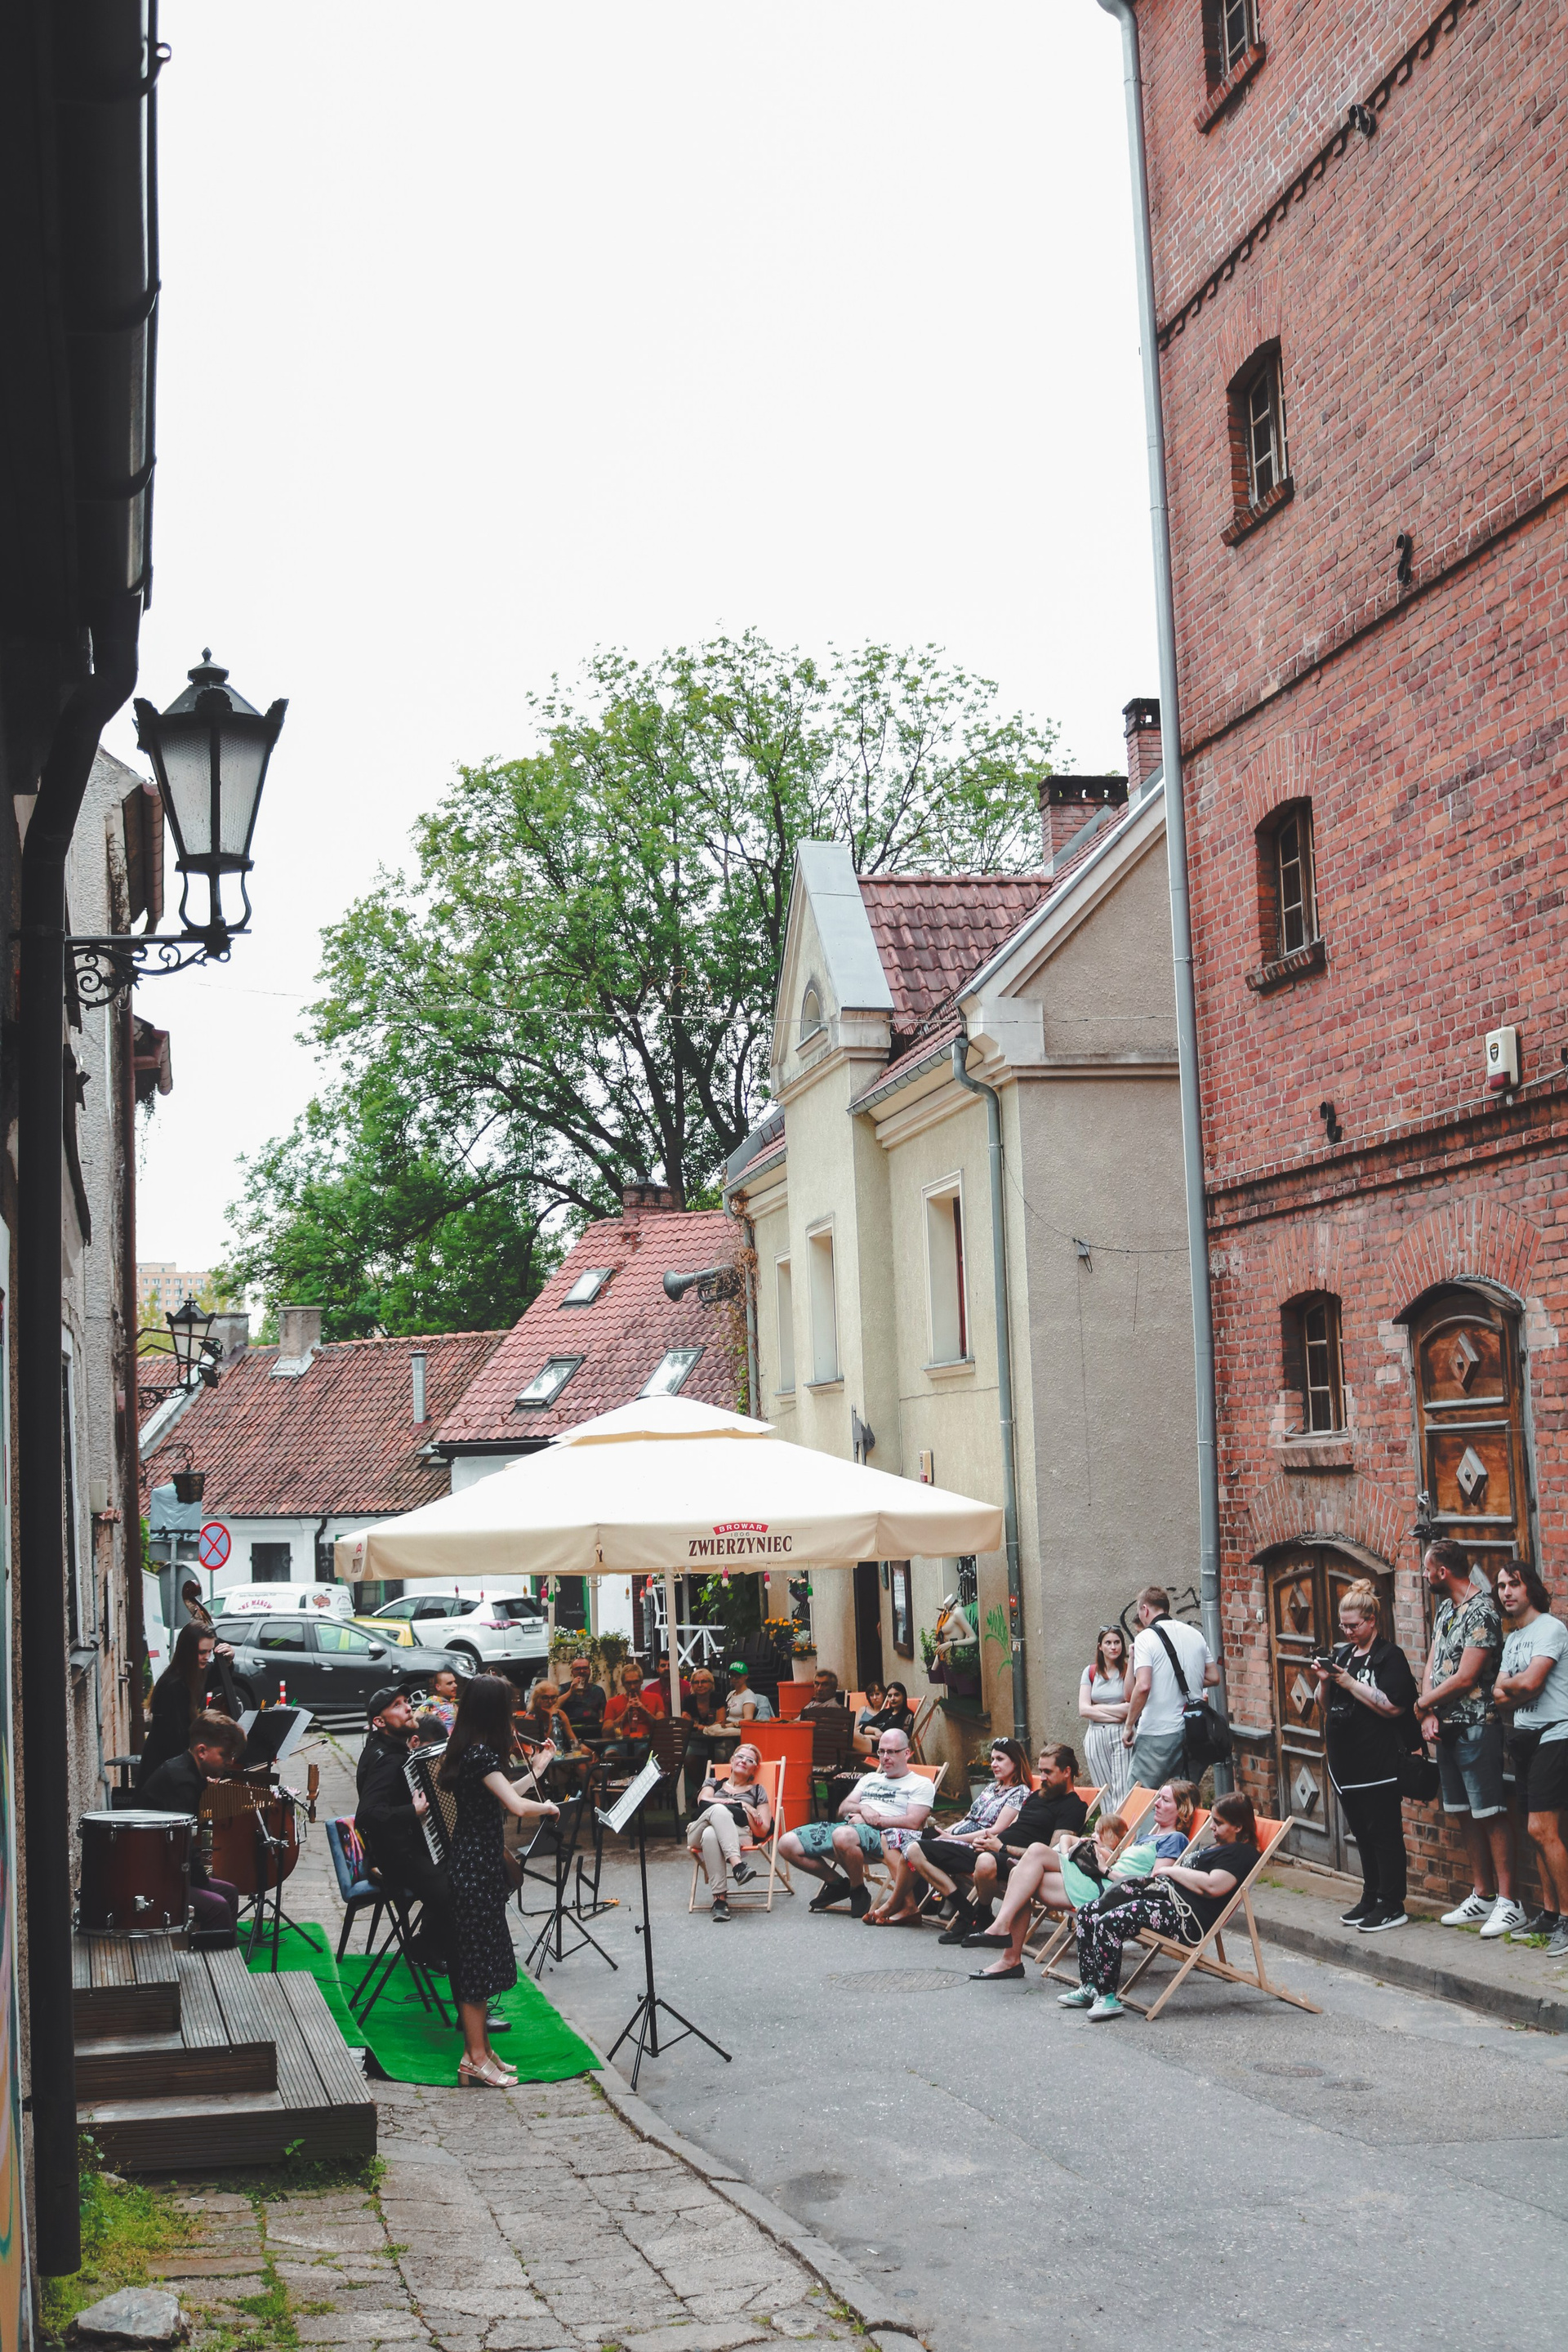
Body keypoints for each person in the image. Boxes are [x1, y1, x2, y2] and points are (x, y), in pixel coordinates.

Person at [438, 1673, 559, 2088]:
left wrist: (537, 1768)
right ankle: (473, 2058)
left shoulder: (474, 1752)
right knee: (475, 1966)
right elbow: (516, 1806)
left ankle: (483, 2051)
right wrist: (547, 1807)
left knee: (482, 1959)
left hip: (477, 1867)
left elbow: (504, 1794)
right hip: (475, 1870)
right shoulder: (479, 1755)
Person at [963, 1777, 1200, 1976]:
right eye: (1158, 1797)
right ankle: (1009, 1958)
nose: (1156, 1803)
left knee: (1033, 1855)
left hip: (1109, 1891)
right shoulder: (1149, 1837)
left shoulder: (1175, 1839)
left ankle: (1003, 1935)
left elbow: (1152, 1884)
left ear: (1182, 1810)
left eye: (1165, 1800)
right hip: (1099, 1879)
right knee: (1019, 1873)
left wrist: (1105, 1869)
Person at [1063, 1789, 1264, 2022]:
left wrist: (1171, 1871)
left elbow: (1213, 1886)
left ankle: (1106, 1996)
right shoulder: (1217, 1847)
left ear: (1238, 1827)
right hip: (1164, 1900)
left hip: (1184, 1918)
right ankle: (1090, 1986)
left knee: (1111, 1921)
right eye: (1212, 1820)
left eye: (1218, 1823)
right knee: (1088, 1912)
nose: (1211, 1827)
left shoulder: (1241, 1853)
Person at [1418, 1539, 1522, 1937]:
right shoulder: (1446, 1608)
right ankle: (1483, 1894)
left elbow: (1466, 1677)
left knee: (1490, 1812)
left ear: (1442, 1571)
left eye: (1427, 1569)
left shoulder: (1482, 1611)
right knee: (1462, 1811)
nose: (1425, 1575)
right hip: (1445, 1727)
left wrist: (1421, 1704)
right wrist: (1428, 1710)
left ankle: (1510, 1903)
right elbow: (1432, 1662)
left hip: (1477, 1725)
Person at [1310, 1578, 1419, 1934]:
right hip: (1346, 1765)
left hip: (1379, 1763)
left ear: (1372, 1620)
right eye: (1344, 1626)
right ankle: (1371, 1895)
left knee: (1384, 1834)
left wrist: (1351, 1683)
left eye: (1354, 1626)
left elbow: (1394, 1706)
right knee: (1362, 1833)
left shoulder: (1390, 1656)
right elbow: (1325, 1705)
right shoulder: (1343, 1654)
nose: (1348, 1632)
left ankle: (1392, 1903)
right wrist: (1325, 1680)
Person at [1493, 1557, 1568, 1956]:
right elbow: (1498, 1694)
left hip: (1555, 1734)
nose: (1506, 1592)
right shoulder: (1513, 1639)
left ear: (1530, 1589)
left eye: (1514, 1584)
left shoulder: (1550, 1629)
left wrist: (1516, 1686)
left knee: (1543, 1829)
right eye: (1501, 1586)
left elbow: (1533, 1682)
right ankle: (1550, 1913)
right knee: (1534, 1829)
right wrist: (1517, 1687)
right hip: (1524, 1739)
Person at [355, 1685, 458, 1973]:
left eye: (406, 1702)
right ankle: (428, 1946)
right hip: (396, 1857)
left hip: (407, 1847)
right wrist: (412, 1811)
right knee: (455, 1894)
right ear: (380, 1721)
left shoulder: (390, 1749)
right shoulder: (387, 1761)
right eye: (397, 1705)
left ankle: (427, 1942)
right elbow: (366, 1815)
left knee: (460, 1871)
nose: (408, 1707)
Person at [778, 1729, 933, 1918]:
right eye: (881, 1751)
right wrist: (863, 1809)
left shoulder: (921, 1784)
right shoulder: (870, 1778)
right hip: (850, 1827)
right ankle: (837, 1884)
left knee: (842, 1835)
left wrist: (873, 1820)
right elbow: (844, 1808)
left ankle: (858, 1890)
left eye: (892, 1752)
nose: (885, 1757)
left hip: (887, 1837)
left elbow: (913, 1822)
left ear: (907, 1753)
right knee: (786, 1844)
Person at [899, 1739, 1032, 1940]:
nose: (994, 1764)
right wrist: (945, 1833)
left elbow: (996, 1830)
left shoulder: (1020, 1792)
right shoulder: (991, 1788)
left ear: (1015, 1762)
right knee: (906, 1842)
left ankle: (963, 1911)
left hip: (978, 1847)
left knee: (915, 1850)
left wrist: (952, 1837)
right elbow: (968, 1818)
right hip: (958, 1839)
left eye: (1000, 1759)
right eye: (992, 1759)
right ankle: (962, 1911)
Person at [138, 1710, 247, 1936]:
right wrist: (204, 1884)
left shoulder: (187, 1771)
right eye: (225, 1755)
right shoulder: (181, 1782)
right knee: (217, 1906)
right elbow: (183, 1848)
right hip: (152, 1879)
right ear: (202, 1751)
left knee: (230, 1893)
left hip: (169, 1872)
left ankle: (224, 1948)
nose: (230, 1761)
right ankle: (214, 1957)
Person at [1122, 1588, 1218, 1792]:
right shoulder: (1194, 1634)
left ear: (1145, 1610)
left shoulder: (1145, 1638)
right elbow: (1213, 1677)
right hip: (1192, 1730)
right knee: (1181, 1797)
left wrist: (1129, 1725)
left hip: (1158, 1732)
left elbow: (1143, 1685)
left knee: (1140, 1796)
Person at [138, 1624, 238, 1784]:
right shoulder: (173, 1686)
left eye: (210, 1652)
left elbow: (214, 1676)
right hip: (163, 1770)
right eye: (202, 1652)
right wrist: (200, 1769)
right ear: (187, 1651)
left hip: (175, 1767)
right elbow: (176, 1739)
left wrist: (228, 1661)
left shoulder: (195, 1673)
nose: (207, 1657)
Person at [687, 1741, 773, 1921]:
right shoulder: (713, 1783)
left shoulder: (757, 1791)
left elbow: (763, 1830)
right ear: (732, 1761)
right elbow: (703, 1801)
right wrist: (741, 1804)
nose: (743, 1761)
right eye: (740, 1757)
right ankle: (738, 1866)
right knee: (718, 1811)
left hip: (739, 1835)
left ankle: (720, 1901)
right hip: (697, 1832)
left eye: (749, 1760)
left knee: (711, 1835)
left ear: (755, 1768)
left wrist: (748, 1812)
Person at [1079, 1626, 1134, 1806]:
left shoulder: (1128, 1670)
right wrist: (1117, 1714)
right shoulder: (1090, 1672)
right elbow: (1084, 1710)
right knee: (1104, 1790)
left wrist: (1098, 1708)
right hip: (1095, 1734)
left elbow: (1131, 1707)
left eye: (1117, 1642)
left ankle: (1122, 1823)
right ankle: (1107, 1824)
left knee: (1122, 1789)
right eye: (1108, 1643)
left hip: (1121, 1733)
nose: (1113, 1647)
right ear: (1100, 1646)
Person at [602, 1660, 665, 1766]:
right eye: (628, 1683)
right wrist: (625, 1712)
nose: (632, 1687)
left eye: (635, 1682)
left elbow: (662, 1727)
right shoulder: (612, 1703)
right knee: (610, 1755)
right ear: (623, 1683)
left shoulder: (655, 1698)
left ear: (641, 1681)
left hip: (645, 1742)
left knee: (645, 1753)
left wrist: (643, 1710)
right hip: (620, 1743)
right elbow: (606, 1732)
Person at [853, 1680, 913, 1757]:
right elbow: (864, 1727)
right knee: (845, 1735)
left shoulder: (907, 1716)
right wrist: (875, 1731)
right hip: (870, 1742)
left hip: (883, 1750)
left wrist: (874, 1737)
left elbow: (900, 1739)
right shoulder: (885, 1712)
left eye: (896, 1695)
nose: (893, 1698)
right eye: (890, 1696)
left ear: (903, 1696)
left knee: (847, 1735)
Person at [559, 1657, 607, 1738]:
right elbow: (554, 1706)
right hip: (569, 1732)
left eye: (585, 1668)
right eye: (578, 1669)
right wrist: (570, 1692)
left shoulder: (597, 1690)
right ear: (572, 1672)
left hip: (593, 1731)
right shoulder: (563, 1688)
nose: (581, 1671)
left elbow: (604, 1715)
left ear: (590, 1671)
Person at [724, 1660, 775, 1724]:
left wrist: (732, 1725)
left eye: (737, 1676)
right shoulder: (731, 1694)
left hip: (738, 1727)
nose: (734, 1679)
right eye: (731, 1676)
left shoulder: (748, 1695)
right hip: (727, 1725)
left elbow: (748, 1719)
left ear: (746, 1676)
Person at [423, 1666, 464, 1732]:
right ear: (438, 1687)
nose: (455, 1685)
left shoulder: (453, 1704)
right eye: (449, 1683)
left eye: (454, 1682)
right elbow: (417, 1717)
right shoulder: (432, 1701)